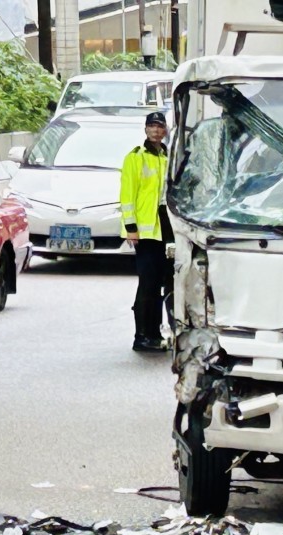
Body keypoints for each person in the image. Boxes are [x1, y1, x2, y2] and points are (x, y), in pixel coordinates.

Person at [120, 111, 173, 353]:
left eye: (159, 127)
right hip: (146, 232)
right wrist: (131, 229)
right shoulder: (135, 158)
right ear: (145, 129)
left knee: (166, 282)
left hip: (167, 228)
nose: (155, 131)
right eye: (151, 126)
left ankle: (159, 332)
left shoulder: (168, 156)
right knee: (148, 284)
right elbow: (127, 196)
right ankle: (142, 335)